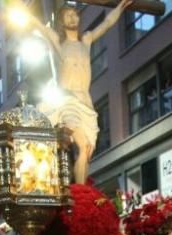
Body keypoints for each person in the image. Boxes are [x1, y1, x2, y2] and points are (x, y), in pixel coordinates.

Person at [23, 0, 133, 184]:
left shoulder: (86, 40)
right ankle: (81, 192)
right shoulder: (57, 42)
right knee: (82, 145)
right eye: (68, 15)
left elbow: (106, 24)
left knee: (88, 149)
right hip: (67, 101)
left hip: (85, 103)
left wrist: (120, 7)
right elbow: (38, 25)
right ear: (61, 21)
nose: (72, 18)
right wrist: (22, 12)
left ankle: (81, 190)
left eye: (75, 14)